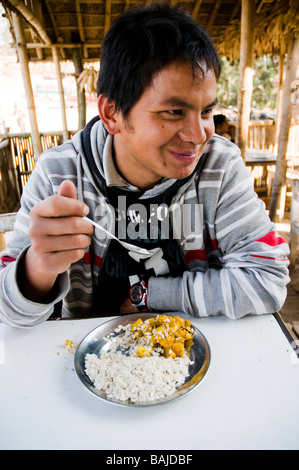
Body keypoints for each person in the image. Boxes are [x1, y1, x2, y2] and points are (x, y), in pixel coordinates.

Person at [0, 3, 289, 328]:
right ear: (112, 113)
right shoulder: (62, 174)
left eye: (207, 111)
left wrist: (151, 293)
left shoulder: (217, 168)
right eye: (173, 112)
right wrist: (38, 266)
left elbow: (267, 280)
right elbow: (7, 313)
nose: (198, 136)